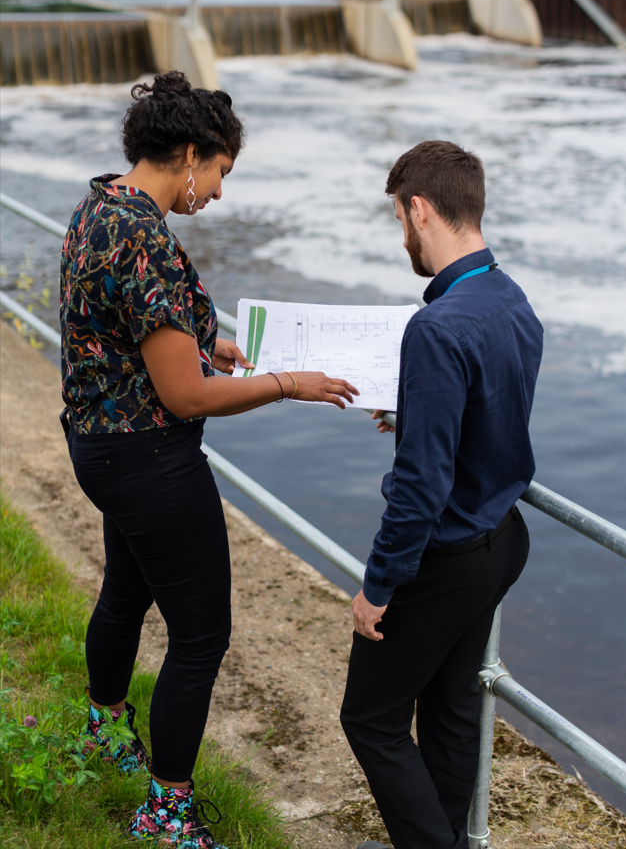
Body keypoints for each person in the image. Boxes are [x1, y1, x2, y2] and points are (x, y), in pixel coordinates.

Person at [60, 70, 358, 849]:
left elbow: (118, 329)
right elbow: (187, 397)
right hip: (152, 458)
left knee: (124, 595)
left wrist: (208, 340)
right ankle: (166, 814)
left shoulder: (102, 206)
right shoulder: (148, 239)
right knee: (200, 639)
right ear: (191, 153)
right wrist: (286, 382)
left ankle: (103, 731)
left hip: (99, 445)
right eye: (221, 172)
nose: (219, 193)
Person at [340, 141, 544, 849]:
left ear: (418, 209)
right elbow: (492, 410)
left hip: (445, 556)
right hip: (502, 539)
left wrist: (379, 586)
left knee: (369, 718)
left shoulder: (435, 327)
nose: (402, 235)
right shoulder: (511, 300)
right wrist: (415, 412)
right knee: (453, 710)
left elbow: (420, 490)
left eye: (399, 217)